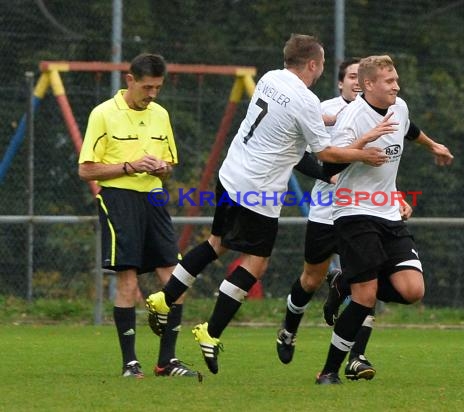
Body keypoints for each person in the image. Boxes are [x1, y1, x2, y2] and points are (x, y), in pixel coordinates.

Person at [145, 33, 391, 375]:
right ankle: (210, 331)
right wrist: (362, 153)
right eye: (319, 66)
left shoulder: (269, 78)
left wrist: (335, 120)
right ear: (312, 64)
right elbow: (325, 153)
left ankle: (164, 297)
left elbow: (295, 120)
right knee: (256, 263)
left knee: (216, 243)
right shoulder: (306, 99)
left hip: (231, 174)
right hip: (258, 189)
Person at [277, 58, 453, 382]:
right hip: (352, 211)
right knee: (362, 295)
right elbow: (328, 169)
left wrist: (433, 146)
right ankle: (329, 371)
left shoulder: (399, 107)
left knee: (412, 290)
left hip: (386, 211)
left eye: (396, 80)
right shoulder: (351, 119)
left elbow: (410, 129)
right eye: (389, 81)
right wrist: (362, 146)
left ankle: (345, 281)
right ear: (369, 85)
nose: (396, 86)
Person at [78, 53, 201, 380]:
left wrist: (163, 169)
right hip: (118, 200)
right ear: (129, 80)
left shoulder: (160, 114)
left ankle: (167, 362)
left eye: (158, 88)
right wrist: (129, 166)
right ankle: (130, 364)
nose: (153, 94)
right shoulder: (103, 114)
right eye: (147, 87)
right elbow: (86, 169)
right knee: (128, 283)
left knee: (177, 280)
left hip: (154, 198)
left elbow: (170, 165)